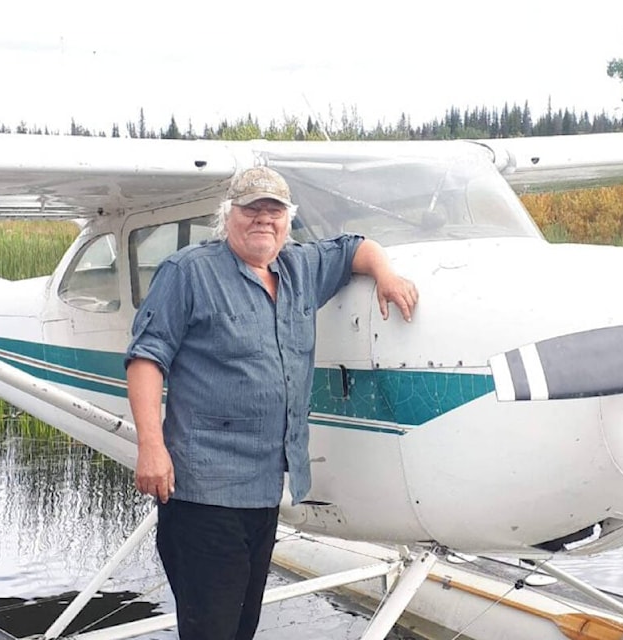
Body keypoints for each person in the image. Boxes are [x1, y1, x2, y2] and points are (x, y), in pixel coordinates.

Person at [124, 166, 418, 640]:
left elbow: (355, 248)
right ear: (229, 216)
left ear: (287, 220)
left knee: (243, 625)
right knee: (210, 630)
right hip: (203, 492)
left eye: (274, 211)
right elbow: (145, 358)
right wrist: (151, 447)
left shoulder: (301, 267)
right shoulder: (189, 272)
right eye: (252, 209)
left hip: (264, 491)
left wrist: (384, 273)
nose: (263, 219)